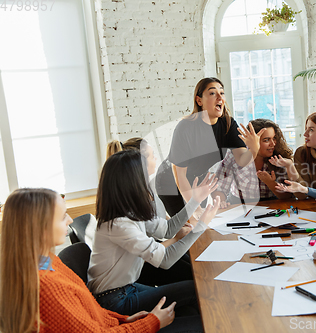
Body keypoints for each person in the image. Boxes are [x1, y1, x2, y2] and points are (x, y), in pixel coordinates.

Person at [0, 188, 175, 333]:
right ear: (40, 229)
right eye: (62, 216)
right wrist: (152, 323)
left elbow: (89, 312)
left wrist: (124, 319)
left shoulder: (45, 261)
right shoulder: (46, 285)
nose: (69, 219)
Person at [88, 150, 220, 332]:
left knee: (193, 292)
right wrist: (201, 225)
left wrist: (195, 200)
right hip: (115, 300)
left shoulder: (129, 211)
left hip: (126, 289)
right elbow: (165, 260)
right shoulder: (118, 224)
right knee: (196, 289)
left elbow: (168, 229)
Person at [156, 77, 263, 217]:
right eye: (212, 93)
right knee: (186, 225)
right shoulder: (185, 127)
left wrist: (254, 149)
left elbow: (242, 161)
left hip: (197, 179)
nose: (220, 97)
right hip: (170, 180)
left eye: (222, 93)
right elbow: (179, 175)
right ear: (199, 101)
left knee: (202, 222)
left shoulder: (228, 124)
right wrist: (194, 207)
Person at [106, 138, 193, 286]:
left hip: (156, 247)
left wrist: (178, 223)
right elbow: (159, 234)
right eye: (152, 155)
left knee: (192, 260)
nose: (156, 158)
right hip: (145, 263)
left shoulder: (147, 186)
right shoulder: (136, 197)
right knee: (193, 274)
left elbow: (159, 219)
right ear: (141, 163)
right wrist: (177, 236)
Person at [212, 118, 293, 207]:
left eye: (274, 138)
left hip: (271, 205)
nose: (273, 144)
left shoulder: (280, 157)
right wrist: (220, 201)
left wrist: (270, 183)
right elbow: (219, 187)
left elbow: (287, 196)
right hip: (239, 204)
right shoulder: (235, 154)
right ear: (252, 142)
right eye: (266, 140)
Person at [269, 111, 316, 200]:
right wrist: (290, 166)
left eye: (311, 130)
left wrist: (313, 192)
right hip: (314, 207)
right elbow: (302, 195)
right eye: (306, 128)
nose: (305, 134)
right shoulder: (301, 153)